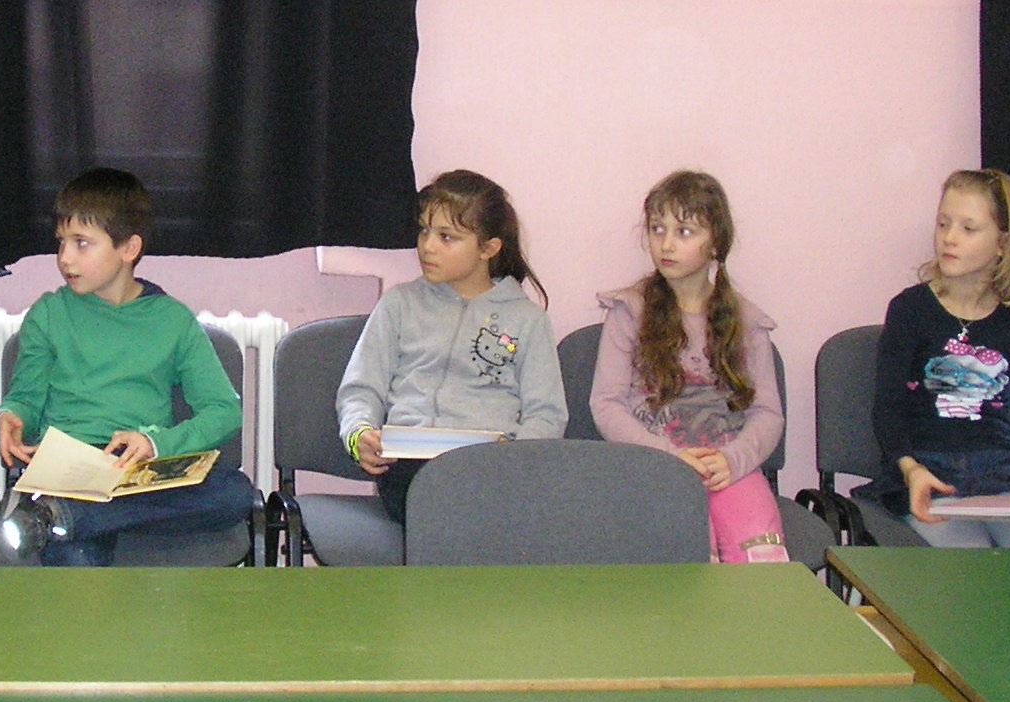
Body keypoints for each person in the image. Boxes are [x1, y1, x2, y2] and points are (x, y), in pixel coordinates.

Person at [0, 168, 260, 565]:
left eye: (82, 243)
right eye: (61, 242)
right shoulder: (49, 313)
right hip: (72, 470)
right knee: (75, 561)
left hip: (142, 470)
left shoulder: (172, 320)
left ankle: (66, 517)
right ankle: (70, 515)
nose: (65, 258)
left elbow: (224, 411)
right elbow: (26, 397)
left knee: (233, 494)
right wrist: (12, 415)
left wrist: (156, 444)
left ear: (129, 248)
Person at [871, 168, 1010, 549]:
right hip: (928, 469)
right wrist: (910, 469)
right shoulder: (909, 310)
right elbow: (888, 408)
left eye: (968, 228)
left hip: (999, 470)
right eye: (943, 224)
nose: (949, 238)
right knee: (968, 555)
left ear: (1003, 243)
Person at [337, 169, 568, 523]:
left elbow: (546, 414)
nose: (427, 246)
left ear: (488, 248)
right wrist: (359, 433)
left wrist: (514, 454)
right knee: (438, 501)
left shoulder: (527, 319)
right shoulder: (400, 304)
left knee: (490, 506)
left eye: (447, 237)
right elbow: (361, 388)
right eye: (424, 230)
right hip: (409, 463)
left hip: (490, 467)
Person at [589, 171, 788, 562]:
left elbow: (767, 414)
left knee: (762, 559)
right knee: (689, 561)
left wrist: (734, 459)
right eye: (657, 229)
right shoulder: (629, 312)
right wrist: (667, 456)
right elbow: (606, 404)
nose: (666, 244)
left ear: (715, 244)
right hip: (655, 468)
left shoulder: (747, 322)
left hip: (728, 468)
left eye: (684, 232)